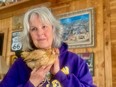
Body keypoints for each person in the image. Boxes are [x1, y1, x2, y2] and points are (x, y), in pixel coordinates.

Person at [0, 6, 96, 87]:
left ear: (53, 29)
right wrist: (31, 83)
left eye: (44, 26)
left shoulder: (76, 61)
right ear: (29, 35)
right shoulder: (20, 64)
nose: (40, 33)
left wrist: (61, 76)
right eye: (33, 29)